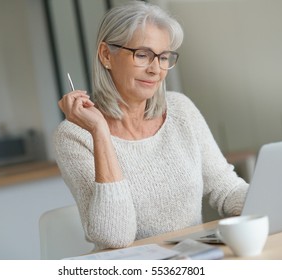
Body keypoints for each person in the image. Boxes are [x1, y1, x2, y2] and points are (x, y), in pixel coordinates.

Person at [54, 1, 248, 251]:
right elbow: (114, 236)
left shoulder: (180, 109)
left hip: (193, 261)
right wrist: (100, 132)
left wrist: (270, 201)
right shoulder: (73, 136)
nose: (156, 69)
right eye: (143, 55)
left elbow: (226, 188)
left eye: (164, 57)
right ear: (106, 55)